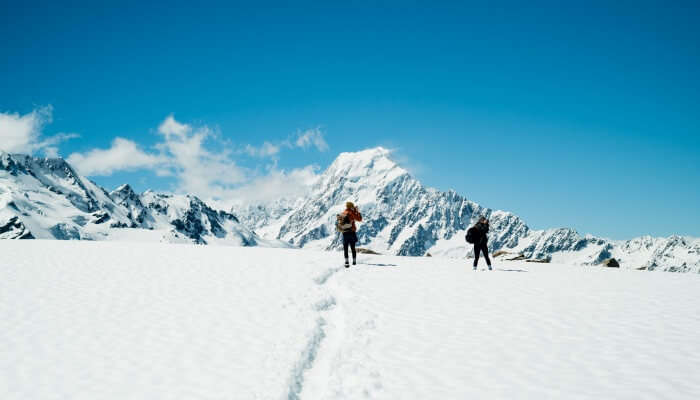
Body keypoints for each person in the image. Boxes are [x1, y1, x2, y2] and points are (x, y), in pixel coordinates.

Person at [338, 201, 362, 267]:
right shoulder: (351, 213)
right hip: (351, 232)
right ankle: (354, 262)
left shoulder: (342, 213)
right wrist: (357, 212)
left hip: (344, 233)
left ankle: (346, 262)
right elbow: (359, 219)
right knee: (352, 248)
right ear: (350, 207)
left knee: (345, 248)